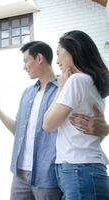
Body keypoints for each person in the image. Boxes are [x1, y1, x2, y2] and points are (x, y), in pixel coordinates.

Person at [0, 40, 109, 200]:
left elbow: (87, 124)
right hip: (20, 174)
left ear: (39, 58)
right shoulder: (27, 93)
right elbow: (18, 131)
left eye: (26, 61)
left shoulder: (66, 86)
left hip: (49, 175)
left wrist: (105, 128)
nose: (24, 66)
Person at [43, 30, 109, 199]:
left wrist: (60, 87)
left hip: (78, 168)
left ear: (73, 50)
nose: (57, 61)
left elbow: (48, 124)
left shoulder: (76, 80)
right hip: (90, 168)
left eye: (58, 54)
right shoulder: (94, 84)